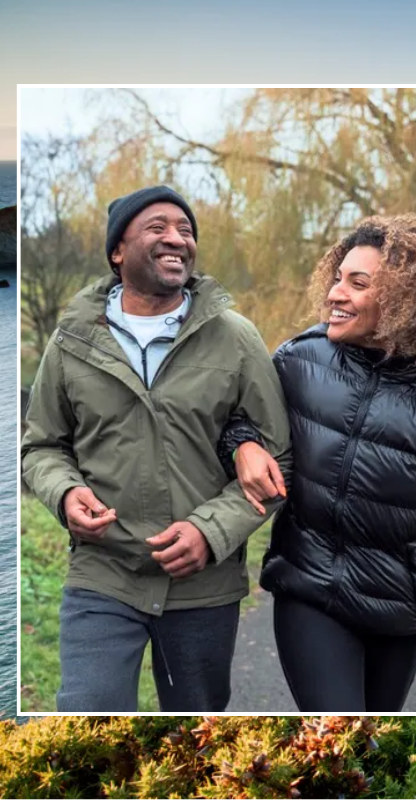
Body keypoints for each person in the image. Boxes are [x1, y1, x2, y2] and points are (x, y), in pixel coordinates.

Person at [21, 185, 292, 712]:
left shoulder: (236, 338)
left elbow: (279, 458)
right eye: (158, 227)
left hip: (203, 586)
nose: (177, 239)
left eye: (186, 230)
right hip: (103, 574)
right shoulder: (71, 340)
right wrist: (65, 494)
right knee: (86, 724)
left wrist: (210, 532)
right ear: (117, 251)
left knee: (193, 740)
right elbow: (42, 448)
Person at [219, 213, 416, 712]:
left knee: (370, 750)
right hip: (309, 589)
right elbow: (239, 415)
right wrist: (244, 444)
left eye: (357, 283)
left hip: (401, 610)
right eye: (337, 278)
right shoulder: (301, 359)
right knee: (336, 739)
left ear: (410, 299)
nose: (334, 294)